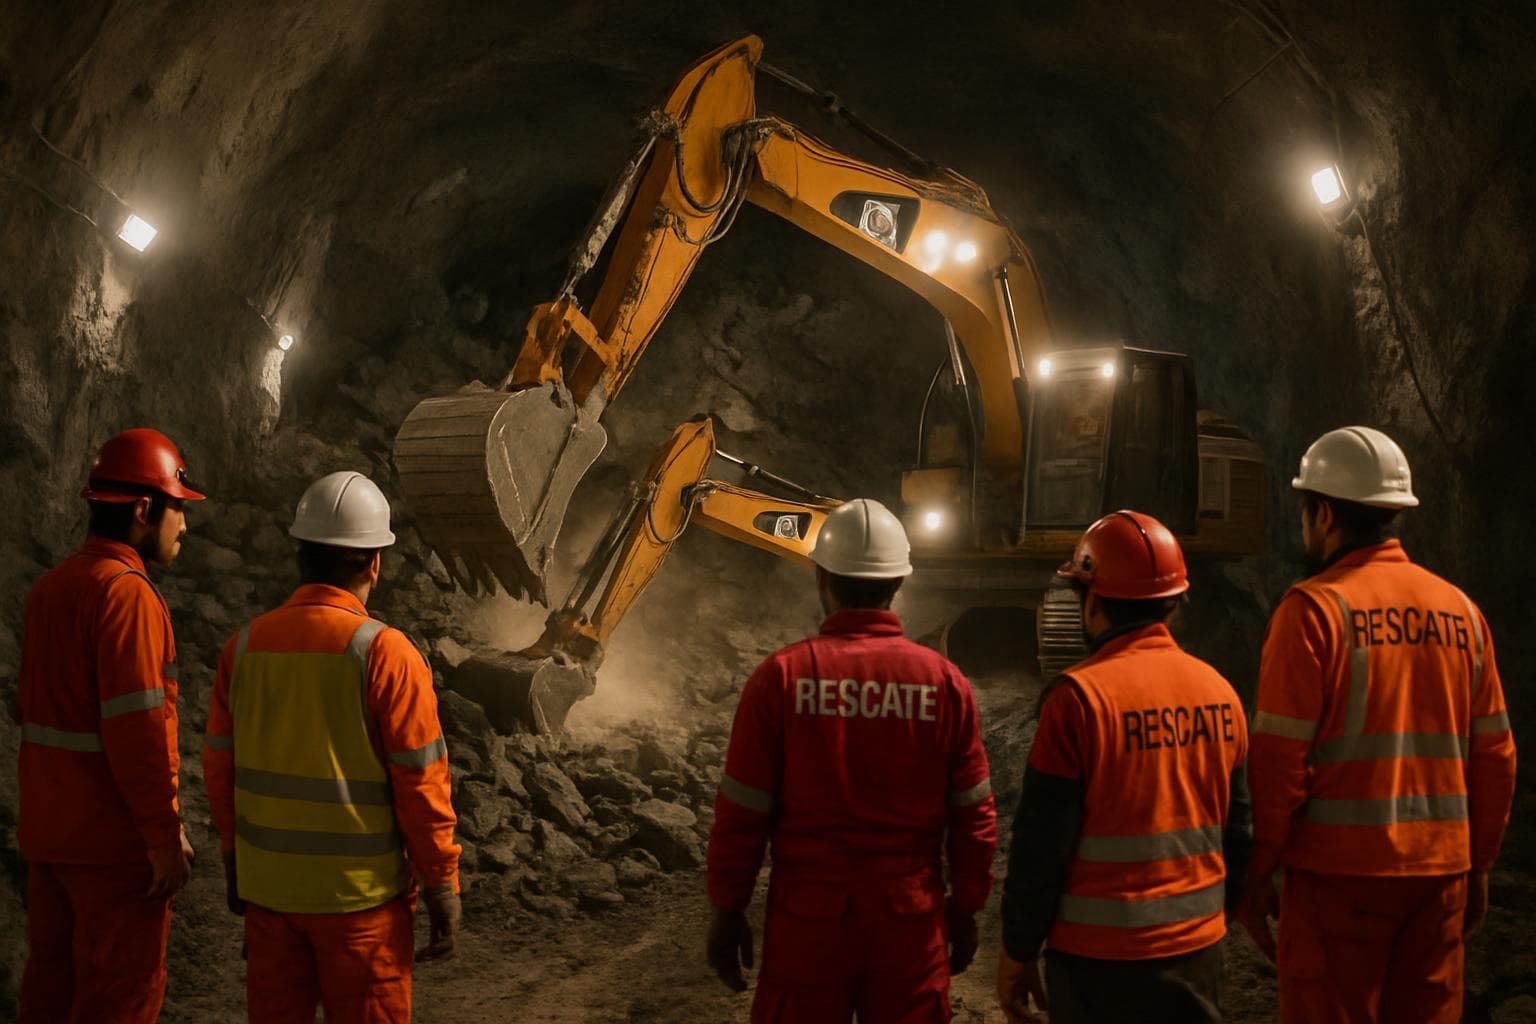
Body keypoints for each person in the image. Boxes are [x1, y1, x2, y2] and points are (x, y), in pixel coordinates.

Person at [1239, 426, 1517, 1024]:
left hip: (1339, 885)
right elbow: (1495, 755)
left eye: (1305, 509)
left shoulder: (1312, 612)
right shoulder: (1463, 613)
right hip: (1439, 879)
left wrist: (1259, 871)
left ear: (1324, 513)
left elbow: (1278, 763)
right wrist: (1481, 865)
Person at [704, 498, 996, 1022]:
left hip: (807, 926)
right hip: (910, 920)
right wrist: (967, 907)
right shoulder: (944, 682)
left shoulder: (781, 678)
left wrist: (728, 908)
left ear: (822, 577)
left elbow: (742, 813)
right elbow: (973, 815)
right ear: (899, 583)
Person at [203, 470, 461, 1023]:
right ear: (374, 562)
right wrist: (443, 884)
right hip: (360, 909)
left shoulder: (243, 647)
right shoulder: (387, 655)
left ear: (302, 555)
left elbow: (220, 772)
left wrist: (234, 863)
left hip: (270, 901)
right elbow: (422, 786)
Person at [997, 510, 1251, 1024]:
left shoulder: (1077, 700)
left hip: (1098, 967)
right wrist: (1211, 923)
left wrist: (1018, 949)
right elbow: (1240, 833)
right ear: (1175, 604)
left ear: (1093, 602)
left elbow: (1041, 846)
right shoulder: (1221, 694)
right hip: (1197, 954)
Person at [16, 428, 204, 1022]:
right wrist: (161, 836)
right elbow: (140, 736)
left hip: (51, 840)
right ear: (145, 509)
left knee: (51, 989)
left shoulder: (51, 590)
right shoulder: (128, 597)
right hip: (111, 850)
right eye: (178, 509)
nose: (185, 526)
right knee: (119, 998)